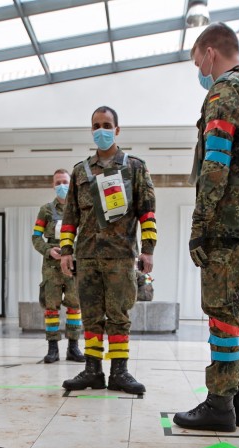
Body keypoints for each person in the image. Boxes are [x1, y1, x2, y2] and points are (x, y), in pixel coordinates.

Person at [173, 22, 239, 432]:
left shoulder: (226, 90)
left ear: (209, 53)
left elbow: (215, 163)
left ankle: (219, 405)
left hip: (230, 223)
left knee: (222, 314)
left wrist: (200, 223)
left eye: (196, 62)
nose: (199, 72)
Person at [59, 106, 157, 394]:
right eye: (96, 125)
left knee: (118, 316)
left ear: (117, 129)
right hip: (87, 256)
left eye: (106, 125)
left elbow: (147, 211)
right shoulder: (80, 171)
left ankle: (119, 372)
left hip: (121, 255)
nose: (101, 130)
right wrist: (66, 251)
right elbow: (70, 217)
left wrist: (148, 249)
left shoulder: (134, 167)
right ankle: (92, 371)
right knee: (90, 315)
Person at [32, 169, 84, 363]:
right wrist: (48, 250)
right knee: (51, 308)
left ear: (72, 184)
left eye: (65, 182)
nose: (62, 185)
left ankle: (73, 348)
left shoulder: (80, 209)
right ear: (53, 185)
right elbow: (36, 237)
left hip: (74, 264)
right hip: (51, 267)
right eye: (58, 182)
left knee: (75, 306)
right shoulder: (46, 210)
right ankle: (52, 348)